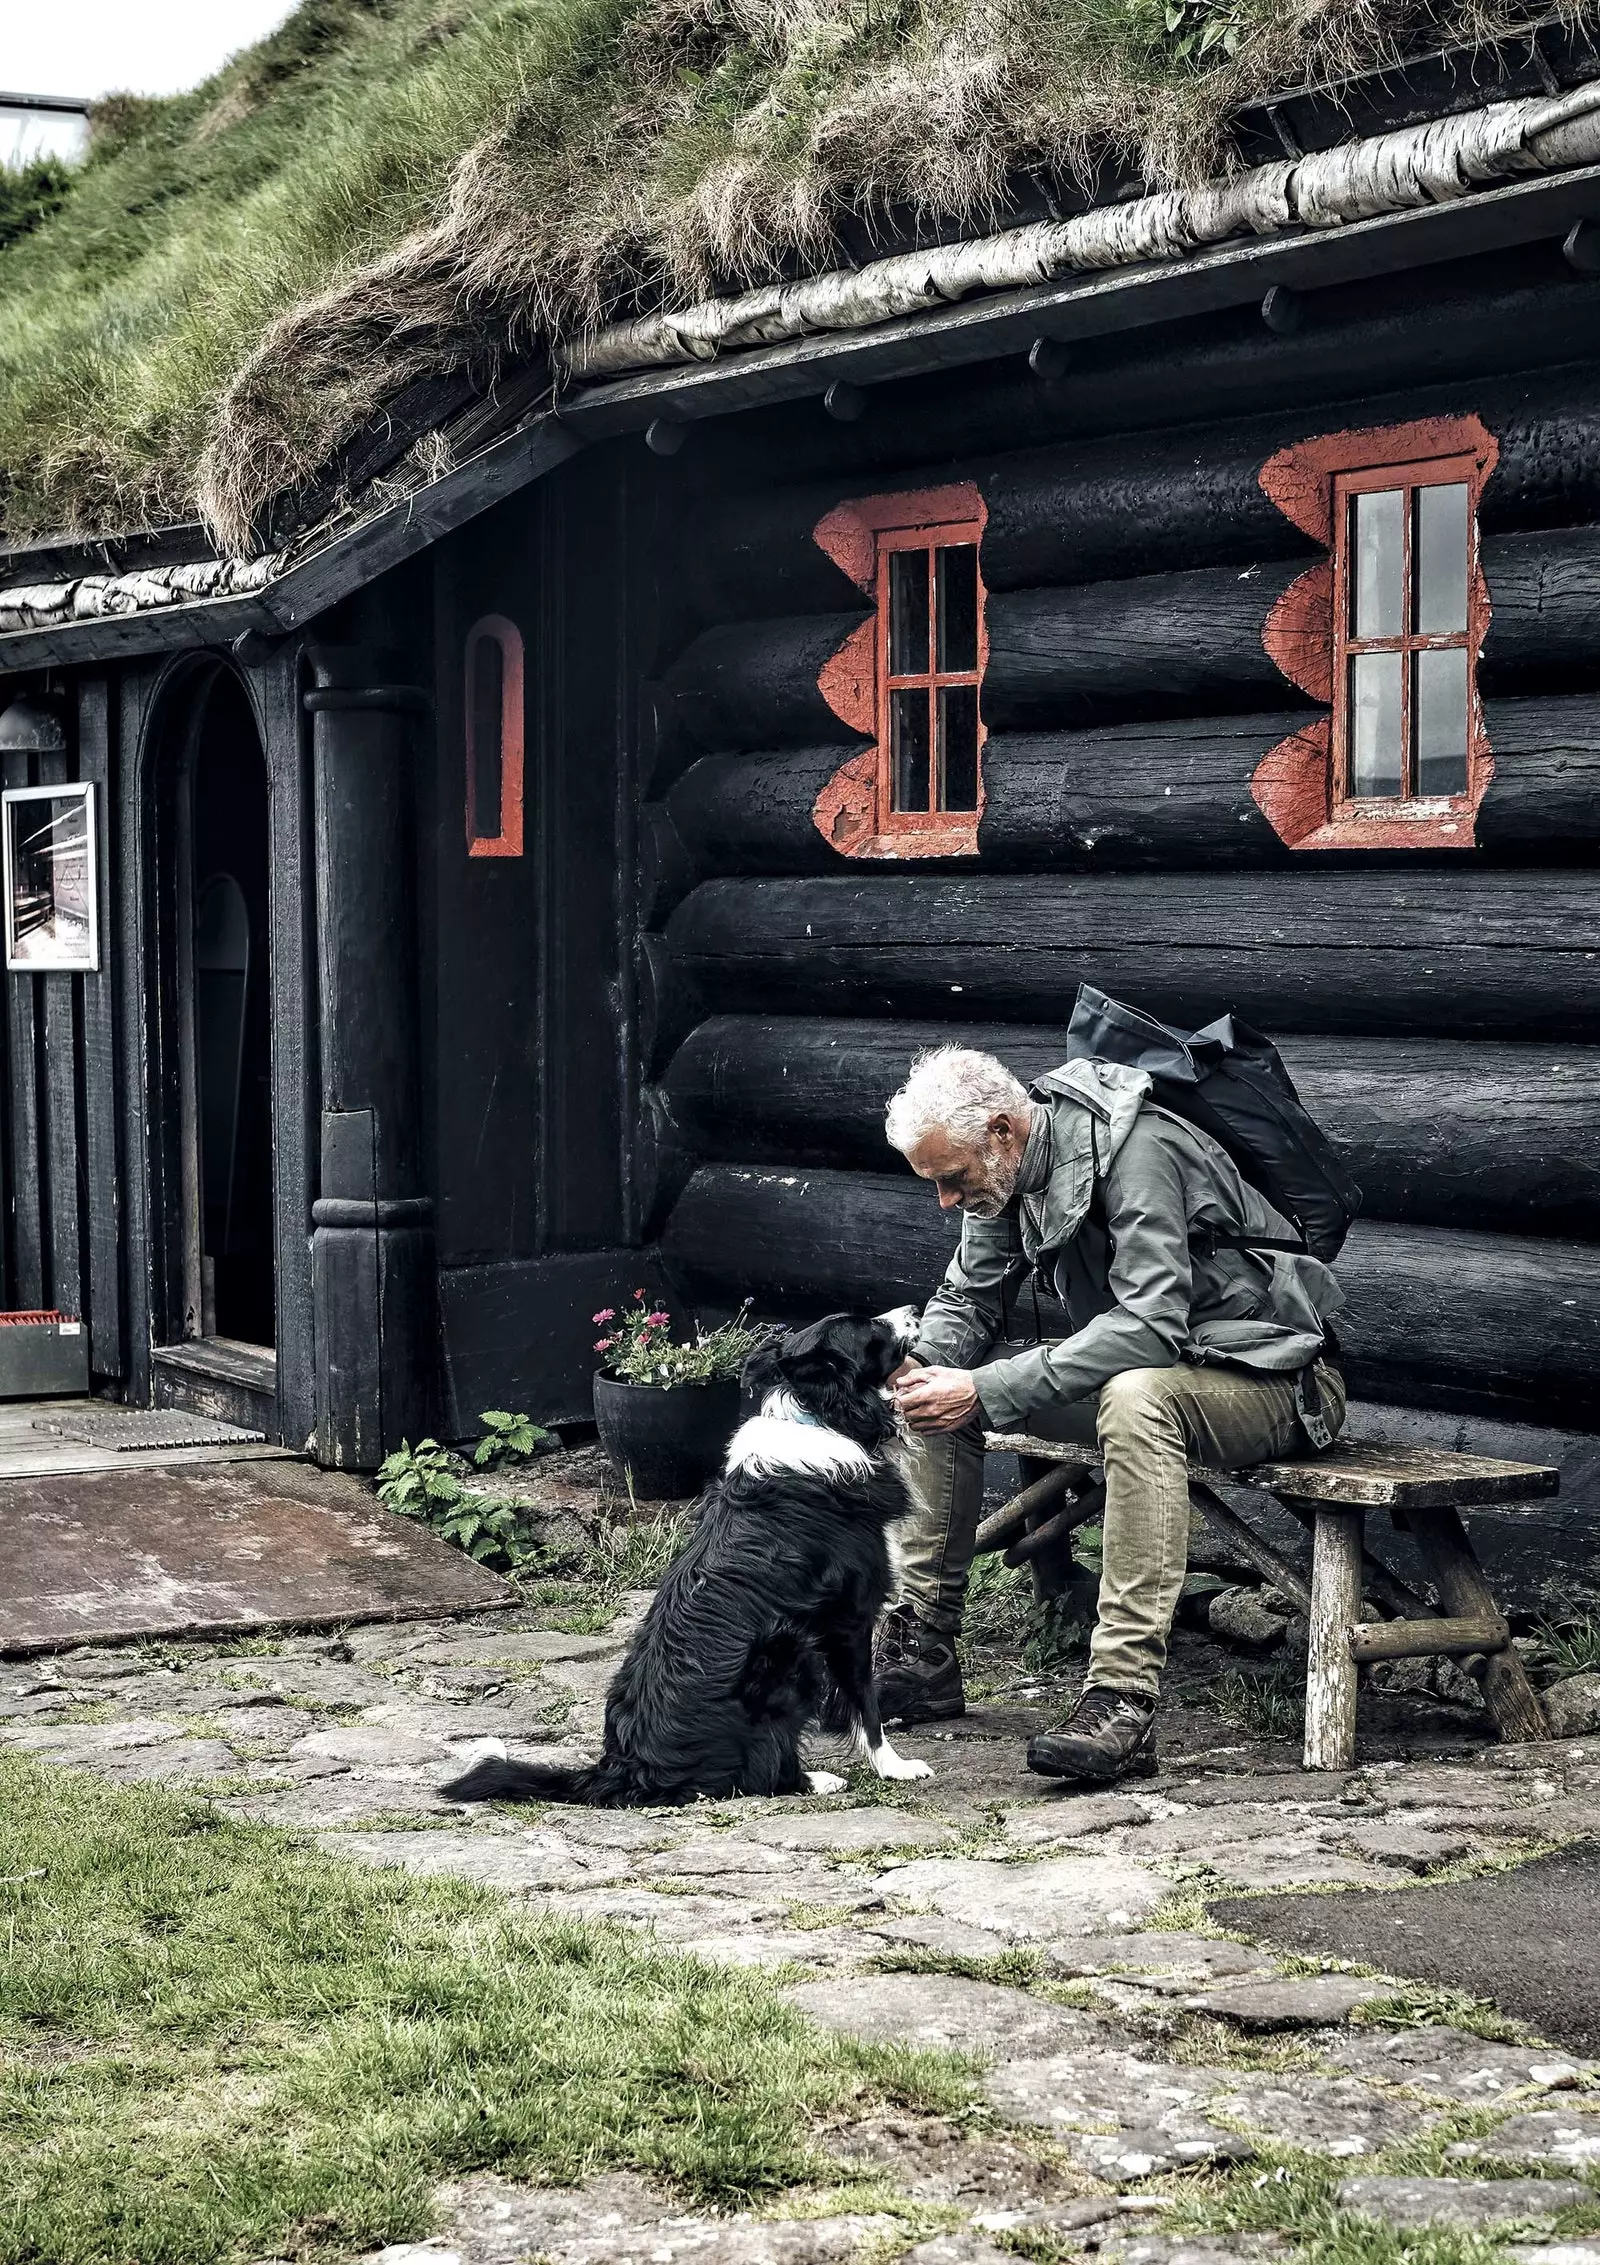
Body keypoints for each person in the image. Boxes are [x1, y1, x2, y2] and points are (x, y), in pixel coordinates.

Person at [877, 1043, 1345, 1784]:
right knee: (940, 1395)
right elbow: (968, 1297)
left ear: (1001, 1130)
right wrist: (926, 1365)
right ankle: (921, 1653)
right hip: (1159, 1378)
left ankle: (1122, 1699)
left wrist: (988, 1385)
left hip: (1269, 1378)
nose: (945, 1199)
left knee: (1134, 1397)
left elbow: (1152, 1324)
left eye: (951, 1178)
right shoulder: (1007, 1177)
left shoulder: (1138, 1149)